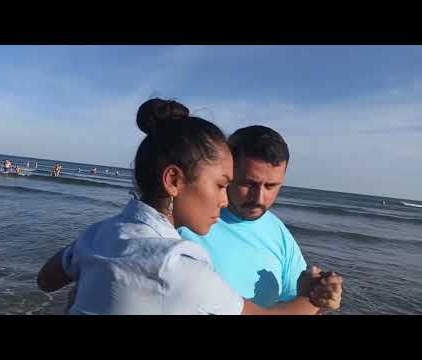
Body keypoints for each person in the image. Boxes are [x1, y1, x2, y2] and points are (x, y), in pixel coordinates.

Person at [37, 99, 340, 315]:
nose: (223, 200)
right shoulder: (178, 263)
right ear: (174, 180)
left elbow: (46, 279)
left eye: (272, 186)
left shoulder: (99, 234)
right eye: (222, 184)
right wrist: (312, 299)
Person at [179, 125, 343, 314]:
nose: (259, 198)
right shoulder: (190, 221)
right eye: (249, 183)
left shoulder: (278, 232)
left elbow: (294, 303)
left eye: (271, 186)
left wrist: (320, 299)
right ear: (227, 171)